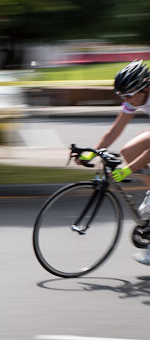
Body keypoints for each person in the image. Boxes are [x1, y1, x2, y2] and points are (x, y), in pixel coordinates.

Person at [77, 59, 150, 264]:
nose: (125, 100)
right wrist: (94, 152)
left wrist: (127, 171)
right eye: (122, 96)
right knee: (129, 150)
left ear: (143, 88)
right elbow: (115, 130)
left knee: (135, 158)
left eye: (128, 95)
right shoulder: (134, 98)